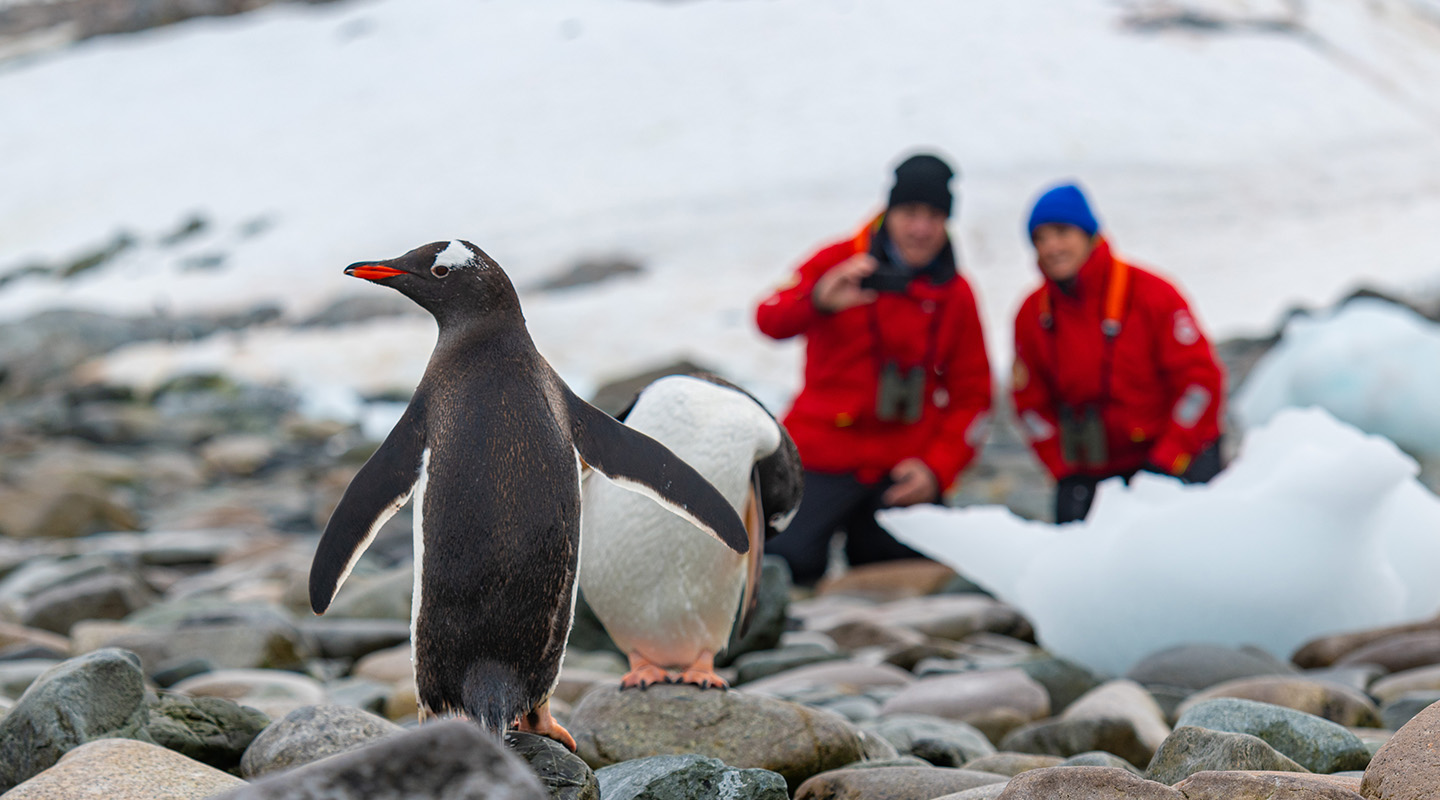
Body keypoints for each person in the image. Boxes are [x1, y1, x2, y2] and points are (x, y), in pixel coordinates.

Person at [755, 152, 992, 586]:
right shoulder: (838, 261)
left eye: (934, 216)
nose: (921, 228)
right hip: (820, 456)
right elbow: (768, 318)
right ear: (890, 211)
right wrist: (818, 302)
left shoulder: (955, 295)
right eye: (910, 213)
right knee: (784, 565)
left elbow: (974, 395)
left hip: (901, 466)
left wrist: (936, 470)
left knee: (917, 573)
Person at [1011, 182, 1226, 523]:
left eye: (1062, 232)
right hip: (1093, 468)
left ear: (1090, 234)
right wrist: (1062, 468)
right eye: (1040, 238)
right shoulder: (1032, 315)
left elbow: (1200, 384)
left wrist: (1167, 460)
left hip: (1172, 456)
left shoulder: (1152, 295)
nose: (1051, 247)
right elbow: (1029, 404)